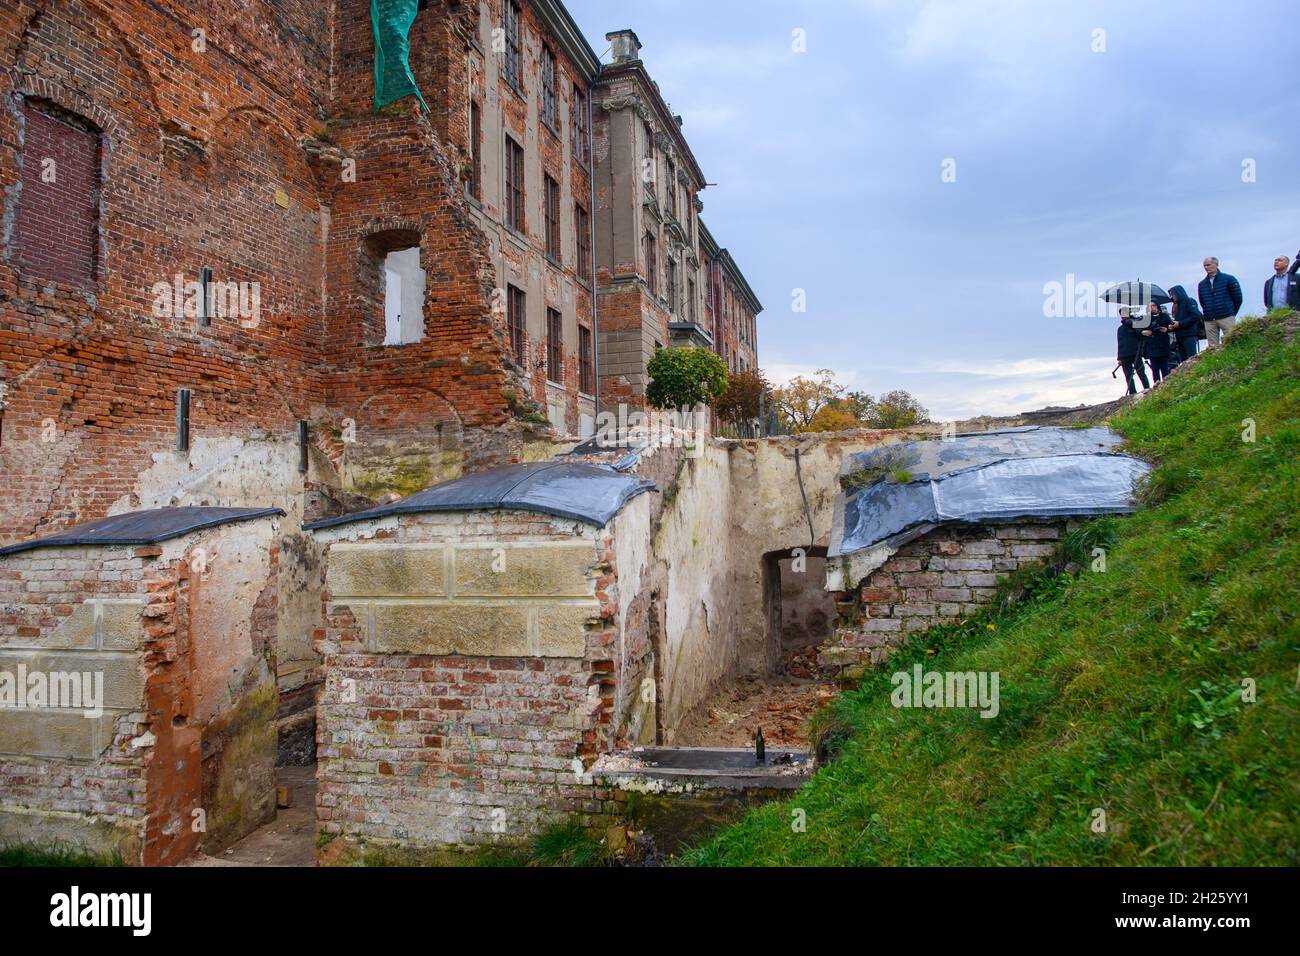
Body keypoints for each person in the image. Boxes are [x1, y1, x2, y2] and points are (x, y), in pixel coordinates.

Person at [1197, 257, 1242, 347]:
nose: (1206, 267)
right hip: (1209, 318)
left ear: (1216, 264)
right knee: (1212, 347)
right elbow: (1202, 301)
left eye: (1208, 265)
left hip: (1226, 316)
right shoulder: (1202, 284)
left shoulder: (1229, 279)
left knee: (1232, 342)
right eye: (1205, 266)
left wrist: (1231, 312)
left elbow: (1238, 298)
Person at [1116, 308, 1150, 395]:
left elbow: (1140, 334)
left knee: (1141, 372)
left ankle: (1147, 388)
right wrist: (1119, 358)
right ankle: (1132, 393)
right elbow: (1119, 343)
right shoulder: (1120, 329)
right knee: (1128, 375)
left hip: (1135, 352)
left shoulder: (1134, 324)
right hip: (1124, 355)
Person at [1167, 285, 1203, 363]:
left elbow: (1195, 316)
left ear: (1178, 293)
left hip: (1189, 335)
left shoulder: (1189, 301)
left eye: (1172, 295)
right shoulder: (1175, 306)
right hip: (1179, 336)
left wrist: (1180, 323)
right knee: (1183, 361)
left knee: (1192, 359)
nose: (1172, 297)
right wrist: (1173, 325)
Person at [1142, 302, 1174, 383]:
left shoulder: (1164, 316)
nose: (1152, 308)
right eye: (1149, 306)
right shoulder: (1146, 318)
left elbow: (1171, 326)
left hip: (1163, 344)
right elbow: (1138, 328)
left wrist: (1167, 329)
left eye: (1153, 305)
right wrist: (1143, 332)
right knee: (1155, 370)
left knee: (1165, 368)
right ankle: (1157, 385)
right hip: (1152, 346)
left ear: (1158, 307)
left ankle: (1167, 384)